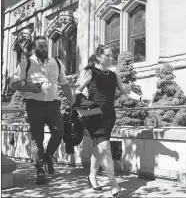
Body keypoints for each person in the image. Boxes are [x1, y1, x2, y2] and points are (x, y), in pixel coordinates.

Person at [75, 45, 149, 197]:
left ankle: (91, 177)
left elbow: (126, 91)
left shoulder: (114, 75)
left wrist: (141, 98)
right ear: (99, 57)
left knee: (100, 147)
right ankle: (113, 183)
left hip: (109, 115)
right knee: (104, 146)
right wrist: (85, 105)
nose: (111, 58)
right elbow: (76, 90)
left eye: (112, 55)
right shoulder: (91, 72)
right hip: (94, 115)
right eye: (107, 55)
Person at [11, 36, 74, 185]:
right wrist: (29, 87)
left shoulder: (56, 62)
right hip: (34, 105)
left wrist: (72, 102)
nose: (44, 49)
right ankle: (40, 169)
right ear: (34, 48)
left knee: (59, 133)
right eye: (41, 47)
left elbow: (64, 83)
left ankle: (47, 158)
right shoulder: (25, 63)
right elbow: (14, 84)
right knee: (37, 139)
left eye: (46, 46)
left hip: (53, 105)